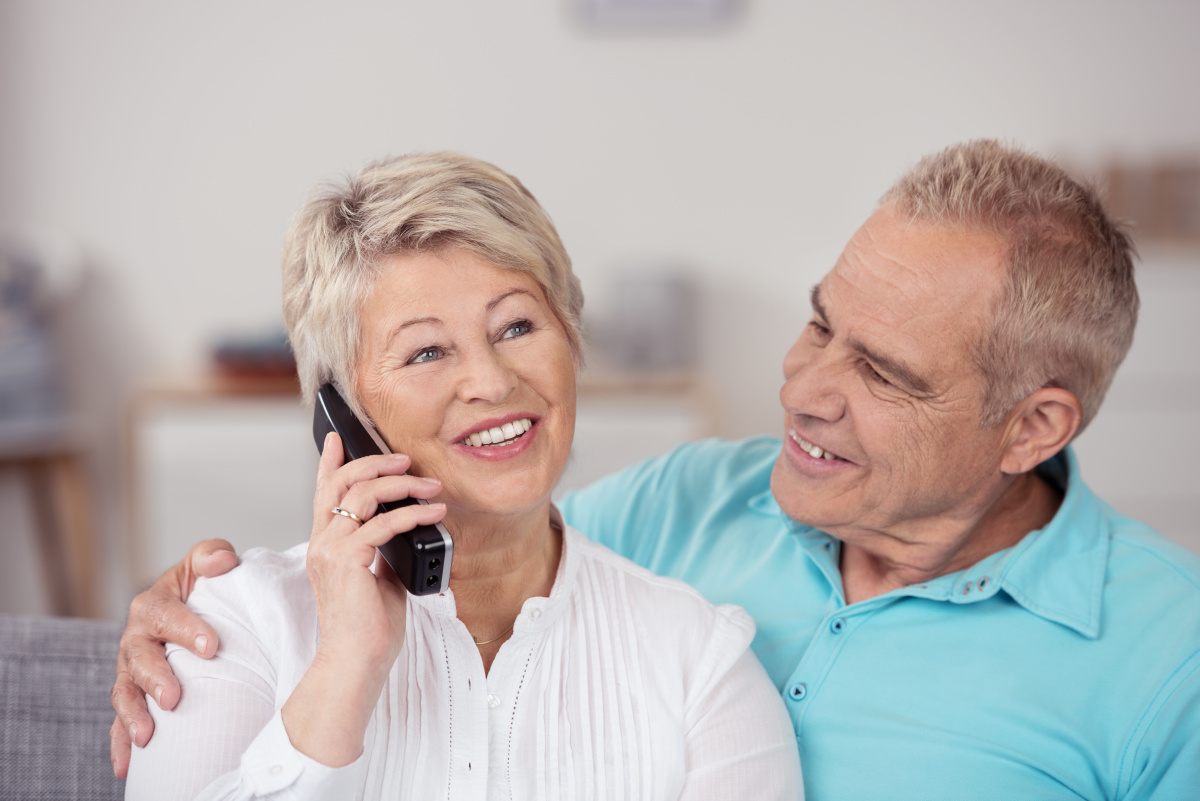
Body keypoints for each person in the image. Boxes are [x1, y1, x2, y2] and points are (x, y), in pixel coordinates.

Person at [114, 141, 1200, 798]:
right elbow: (497, 545)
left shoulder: (1171, 660)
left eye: (883, 372)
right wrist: (216, 604)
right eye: (820, 325)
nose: (805, 389)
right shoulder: (690, 504)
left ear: (1031, 429)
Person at [120, 152, 801, 799]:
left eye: (515, 327)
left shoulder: (700, 662)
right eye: (425, 351)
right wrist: (344, 669)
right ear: (342, 415)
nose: (490, 380)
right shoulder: (235, 623)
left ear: (570, 338)